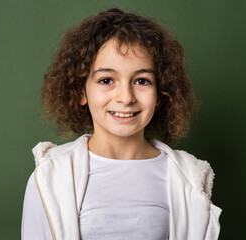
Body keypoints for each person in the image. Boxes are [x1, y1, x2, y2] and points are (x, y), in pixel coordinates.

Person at [21, 8, 222, 240]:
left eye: (141, 81)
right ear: (80, 91)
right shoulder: (50, 175)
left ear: (161, 93)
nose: (126, 97)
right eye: (106, 80)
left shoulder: (190, 178)